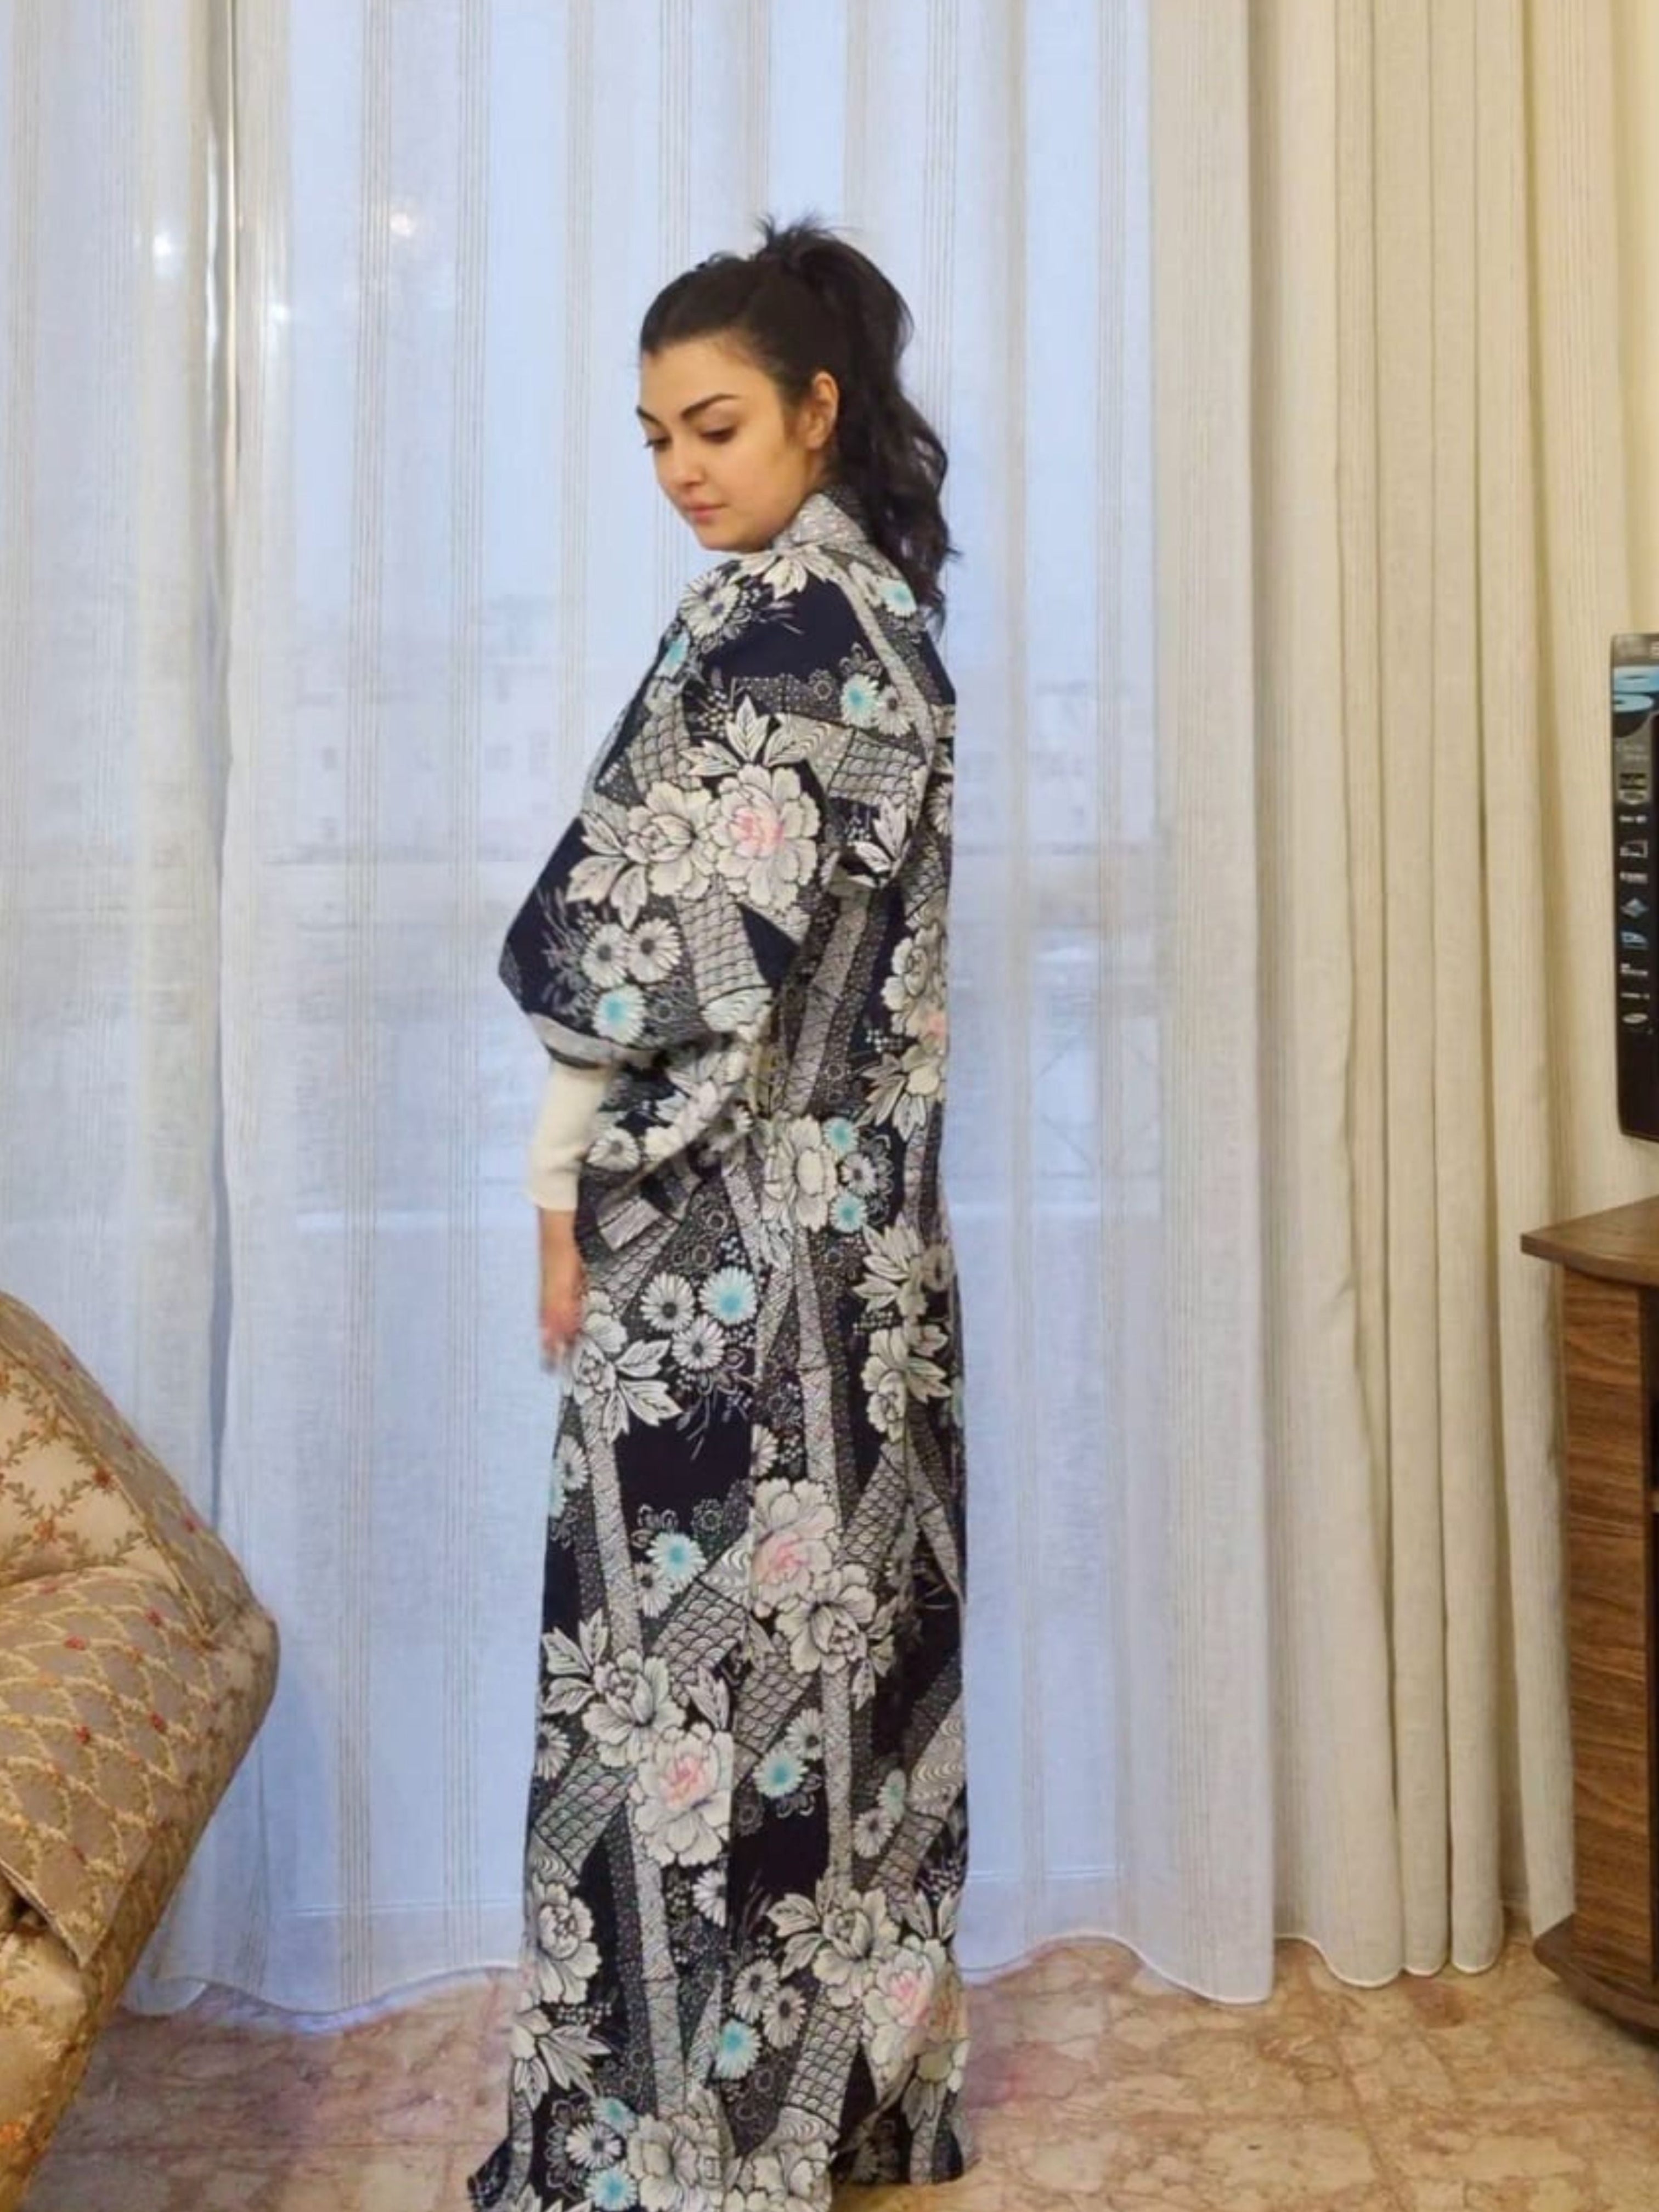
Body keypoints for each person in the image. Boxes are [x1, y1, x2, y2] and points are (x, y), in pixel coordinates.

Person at [469, 212, 972, 2212]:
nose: (684, 467)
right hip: (869, 1254)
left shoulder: (772, 628)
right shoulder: (888, 626)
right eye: (658, 434)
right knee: (843, 1676)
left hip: (736, 1255)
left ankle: (667, 2155)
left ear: (818, 411)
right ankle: (846, 2112)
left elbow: (646, 950)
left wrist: (556, 1182)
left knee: (682, 1697)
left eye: (719, 424)